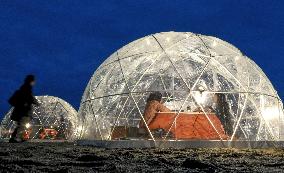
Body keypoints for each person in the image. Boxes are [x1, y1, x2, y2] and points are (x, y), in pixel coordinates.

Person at [8, 75, 39, 143]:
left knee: (20, 124)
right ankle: (16, 138)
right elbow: (30, 97)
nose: (34, 82)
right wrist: (36, 102)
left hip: (21, 110)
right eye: (33, 81)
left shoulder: (24, 88)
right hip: (24, 111)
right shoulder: (27, 88)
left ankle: (15, 137)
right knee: (22, 124)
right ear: (31, 81)